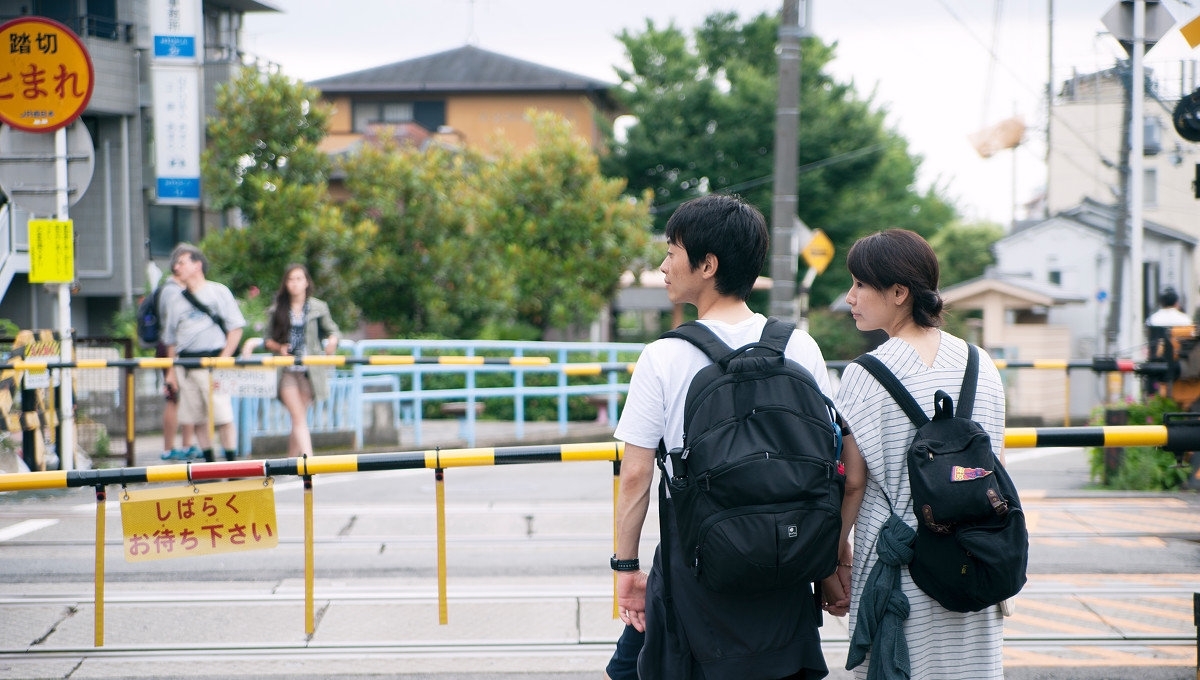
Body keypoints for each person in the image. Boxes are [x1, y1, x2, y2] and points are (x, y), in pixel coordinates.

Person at [609, 194, 838, 680]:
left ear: (707, 264)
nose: (664, 264)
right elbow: (831, 464)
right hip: (788, 564)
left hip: (699, 576)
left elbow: (635, 477)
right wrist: (829, 560)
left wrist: (625, 567)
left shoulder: (663, 357)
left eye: (672, 251)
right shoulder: (799, 345)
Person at [825, 228, 1006, 679]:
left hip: (898, 563)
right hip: (975, 555)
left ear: (899, 292)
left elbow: (854, 482)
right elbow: (993, 462)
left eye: (860, 284)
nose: (850, 297)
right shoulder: (981, 364)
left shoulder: (865, 374)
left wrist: (834, 554)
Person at [161, 243, 246, 463]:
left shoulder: (218, 292)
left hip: (213, 361)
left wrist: (224, 358)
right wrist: (171, 372)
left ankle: (231, 461)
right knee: (195, 416)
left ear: (197, 265)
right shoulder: (175, 300)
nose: (176, 267)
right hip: (186, 365)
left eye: (181, 262)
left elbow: (235, 327)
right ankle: (210, 462)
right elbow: (170, 340)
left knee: (222, 415)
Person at [261, 264, 340, 457]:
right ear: (285, 283)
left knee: (299, 417)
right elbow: (267, 340)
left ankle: (290, 461)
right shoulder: (277, 309)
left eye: (299, 279)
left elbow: (333, 330)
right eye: (290, 279)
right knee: (298, 416)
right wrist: (280, 347)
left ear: (306, 282)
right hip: (286, 369)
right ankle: (309, 461)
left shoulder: (318, 307)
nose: (295, 284)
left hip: (308, 370)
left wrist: (332, 341)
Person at [157, 262, 198, 460]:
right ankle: (168, 447)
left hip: (181, 349)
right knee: (173, 397)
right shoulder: (171, 291)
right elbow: (170, 329)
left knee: (186, 397)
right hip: (172, 349)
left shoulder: (177, 289)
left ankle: (186, 445)